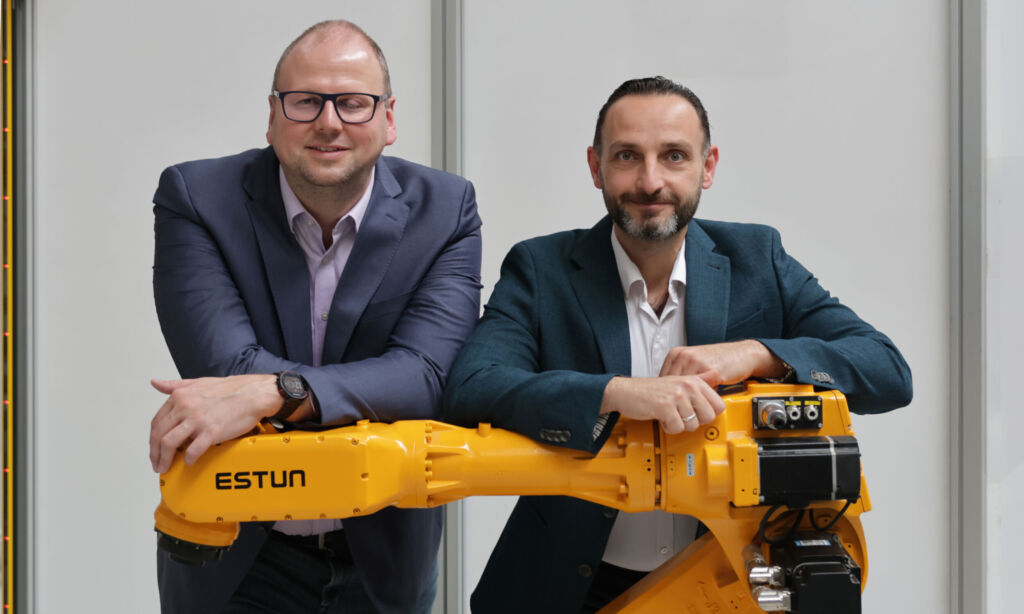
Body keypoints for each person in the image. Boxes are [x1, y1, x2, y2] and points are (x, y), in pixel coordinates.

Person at [442, 76, 912, 613]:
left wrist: (757, 354)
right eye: (627, 156)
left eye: (674, 156)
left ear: (707, 167)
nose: (650, 181)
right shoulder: (541, 268)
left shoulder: (759, 258)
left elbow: (887, 370)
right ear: (596, 166)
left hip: (725, 585)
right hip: (565, 588)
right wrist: (616, 393)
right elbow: (472, 386)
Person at [148, 20, 481, 614]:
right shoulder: (197, 198)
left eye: (353, 103)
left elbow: (427, 375)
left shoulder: (446, 210)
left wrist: (277, 391)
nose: (329, 122)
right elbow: (226, 368)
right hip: (238, 554)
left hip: (383, 557)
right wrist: (336, 390)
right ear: (273, 115)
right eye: (305, 101)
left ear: (389, 118)